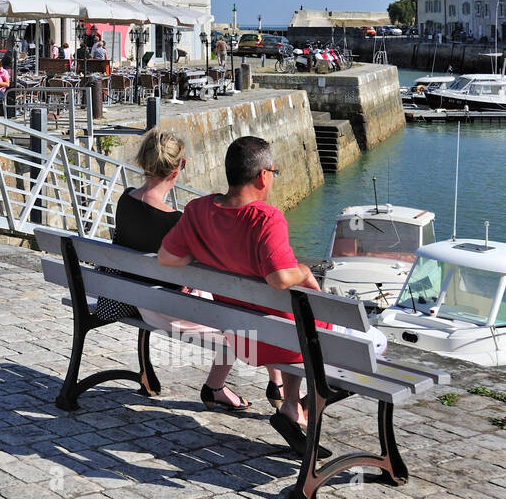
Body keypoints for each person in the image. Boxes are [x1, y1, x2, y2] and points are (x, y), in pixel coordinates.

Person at [158, 137, 341, 457]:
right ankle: (295, 406)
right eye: (274, 172)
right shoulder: (266, 217)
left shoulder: (197, 209)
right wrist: (305, 273)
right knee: (346, 337)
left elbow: (167, 258)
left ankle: (291, 407)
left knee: (291, 326)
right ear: (262, 176)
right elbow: (280, 277)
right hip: (286, 341)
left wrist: (202, 258)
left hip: (241, 335)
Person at [110, 131, 249, 411]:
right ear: (180, 167)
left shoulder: (125, 200)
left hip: (132, 296)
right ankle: (217, 387)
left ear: (142, 161)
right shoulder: (176, 221)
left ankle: (260, 386)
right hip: (165, 308)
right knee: (244, 329)